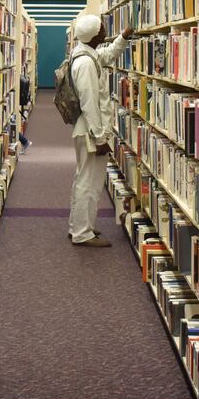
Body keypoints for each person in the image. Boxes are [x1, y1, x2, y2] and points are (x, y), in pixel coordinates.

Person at [67, 14, 133, 247]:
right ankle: (83, 233)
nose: (105, 31)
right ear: (94, 35)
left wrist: (123, 38)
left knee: (84, 178)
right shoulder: (85, 63)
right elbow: (89, 104)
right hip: (90, 131)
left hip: (87, 129)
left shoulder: (86, 53)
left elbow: (106, 55)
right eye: (102, 29)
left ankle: (78, 226)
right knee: (90, 182)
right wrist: (99, 137)